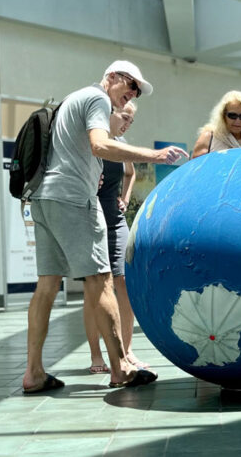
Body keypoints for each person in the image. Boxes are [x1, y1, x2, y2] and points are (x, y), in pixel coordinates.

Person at [22, 60, 189, 394]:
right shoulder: (97, 99)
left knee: (47, 285)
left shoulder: (73, 99)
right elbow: (100, 144)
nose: (132, 94)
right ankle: (121, 367)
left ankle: (33, 373)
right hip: (71, 199)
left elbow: (80, 150)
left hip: (44, 197)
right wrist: (154, 156)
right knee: (101, 280)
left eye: (137, 91)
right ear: (111, 77)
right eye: (130, 85)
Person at [83, 101, 149, 374]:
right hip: (89, 221)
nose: (127, 123)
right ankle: (96, 356)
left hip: (116, 219)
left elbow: (131, 172)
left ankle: (127, 350)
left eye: (131, 120)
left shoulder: (120, 143)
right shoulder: (92, 141)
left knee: (124, 283)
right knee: (94, 290)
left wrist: (125, 197)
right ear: (109, 113)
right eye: (125, 116)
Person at [191, 90, 241, 159]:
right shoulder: (209, 137)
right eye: (232, 116)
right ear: (223, 116)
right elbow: (194, 169)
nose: (238, 121)